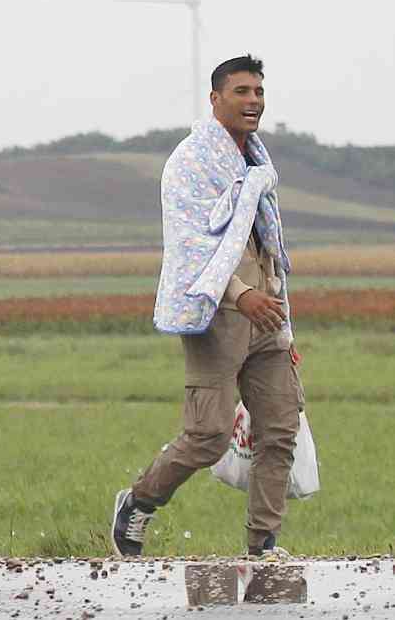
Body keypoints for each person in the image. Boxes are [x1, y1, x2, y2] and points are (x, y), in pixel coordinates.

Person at [111, 55, 304, 558]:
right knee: (209, 434)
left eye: (259, 92)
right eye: (241, 91)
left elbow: (266, 243)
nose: (253, 101)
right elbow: (189, 247)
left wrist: (282, 318)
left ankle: (263, 545)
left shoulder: (257, 162)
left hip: (269, 315)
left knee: (280, 431)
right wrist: (242, 295)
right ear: (215, 98)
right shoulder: (189, 163)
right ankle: (138, 501)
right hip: (218, 313)